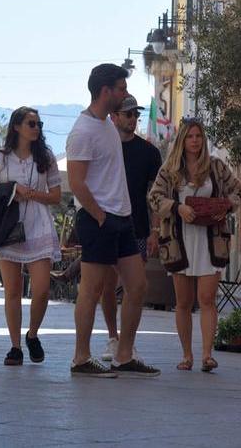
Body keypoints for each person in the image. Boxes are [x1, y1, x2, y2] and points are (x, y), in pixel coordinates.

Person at [65, 63, 160, 378]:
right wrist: (100, 216)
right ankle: (81, 358)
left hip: (122, 218)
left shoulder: (106, 124)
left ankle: (123, 354)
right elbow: (77, 183)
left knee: (138, 285)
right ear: (106, 91)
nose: (126, 94)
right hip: (99, 220)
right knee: (91, 290)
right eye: (121, 88)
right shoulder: (82, 131)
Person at [148, 120, 241, 372]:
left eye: (198, 135)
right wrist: (177, 207)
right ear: (182, 140)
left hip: (211, 241)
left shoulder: (216, 167)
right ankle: (187, 355)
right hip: (179, 242)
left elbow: (237, 192)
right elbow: (154, 198)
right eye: (190, 136)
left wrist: (224, 206)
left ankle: (207, 355)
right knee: (183, 302)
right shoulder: (169, 170)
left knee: (207, 298)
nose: (194, 140)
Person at [0, 107, 62, 365]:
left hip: (38, 224)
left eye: (38, 123)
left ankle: (32, 334)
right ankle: (15, 346)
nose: (36, 128)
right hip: (7, 225)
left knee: (42, 289)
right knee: (12, 290)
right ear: (16, 127)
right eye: (31, 123)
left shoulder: (45, 157)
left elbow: (56, 196)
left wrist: (32, 194)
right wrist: (13, 190)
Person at [98, 95, 162, 362]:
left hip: (137, 228)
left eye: (135, 114)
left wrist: (156, 230)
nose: (133, 119)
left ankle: (128, 342)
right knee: (107, 286)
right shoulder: (103, 148)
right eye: (127, 114)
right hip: (106, 225)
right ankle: (113, 338)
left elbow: (157, 193)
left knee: (135, 286)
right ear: (114, 117)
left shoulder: (149, 152)